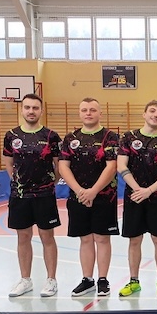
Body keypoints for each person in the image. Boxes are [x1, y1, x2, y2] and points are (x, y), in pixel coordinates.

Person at [58, 97, 119, 297]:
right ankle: (87, 280)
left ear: (100, 113)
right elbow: (63, 167)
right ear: (79, 113)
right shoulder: (70, 138)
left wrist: (93, 191)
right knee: (85, 239)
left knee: (102, 238)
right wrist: (79, 191)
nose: (88, 113)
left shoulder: (110, 137)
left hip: (105, 197)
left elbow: (112, 166)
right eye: (84, 110)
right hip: (78, 197)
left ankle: (103, 280)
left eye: (92, 110)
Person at [3, 93, 61, 298]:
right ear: (22, 110)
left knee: (47, 237)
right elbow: (9, 163)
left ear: (41, 111)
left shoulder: (51, 136)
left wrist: (50, 184)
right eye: (27, 107)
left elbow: (58, 166)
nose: (31, 111)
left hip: (44, 195)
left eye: (35, 108)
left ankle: (51, 280)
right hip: (20, 196)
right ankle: (25, 280)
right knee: (23, 237)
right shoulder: (11, 135)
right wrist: (18, 183)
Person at [116, 100, 157, 297]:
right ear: (144, 114)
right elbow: (121, 166)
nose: (155, 115)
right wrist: (138, 189)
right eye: (152, 111)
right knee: (134, 240)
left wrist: (148, 191)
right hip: (134, 197)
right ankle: (134, 281)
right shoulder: (128, 137)